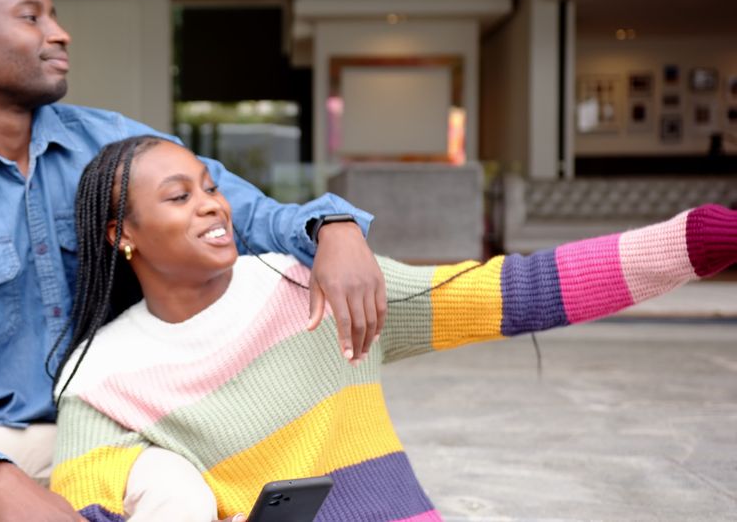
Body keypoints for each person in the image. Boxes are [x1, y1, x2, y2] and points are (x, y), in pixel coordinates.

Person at [0, 0, 388, 521]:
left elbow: (248, 216)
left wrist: (333, 227)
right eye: (32, 18)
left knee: (177, 491)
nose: (59, 33)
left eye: (54, 16)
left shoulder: (116, 145)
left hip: (124, 427)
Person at [49, 136, 737, 522]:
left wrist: (692, 243)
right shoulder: (101, 374)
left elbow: (515, 292)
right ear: (121, 236)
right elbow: (87, 505)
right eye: (179, 196)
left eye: (208, 185)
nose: (212, 206)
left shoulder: (304, 285)